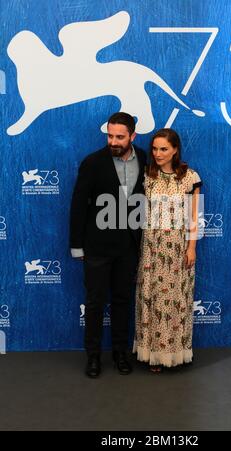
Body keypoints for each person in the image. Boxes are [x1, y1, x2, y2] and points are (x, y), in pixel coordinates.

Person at [70, 112, 147, 377]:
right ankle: (93, 357)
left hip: (129, 245)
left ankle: (120, 353)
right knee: (94, 303)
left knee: (123, 301)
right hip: (97, 246)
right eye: (110, 135)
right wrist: (76, 246)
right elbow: (78, 205)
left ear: (133, 136)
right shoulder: (92, 162)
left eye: (120, 137)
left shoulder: (147, 160)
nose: (113, 141)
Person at [133, 128, 202, 372]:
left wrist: (191, 247)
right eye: (154, 149)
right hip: (151, 249)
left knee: (175, 302)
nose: (158, 153)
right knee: (151, 300)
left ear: (175, 149)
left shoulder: (190, 177)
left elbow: (194, 216)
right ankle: (152, 354)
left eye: (164, 149)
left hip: (178, 250)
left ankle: (174, 354)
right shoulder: (146, 176)